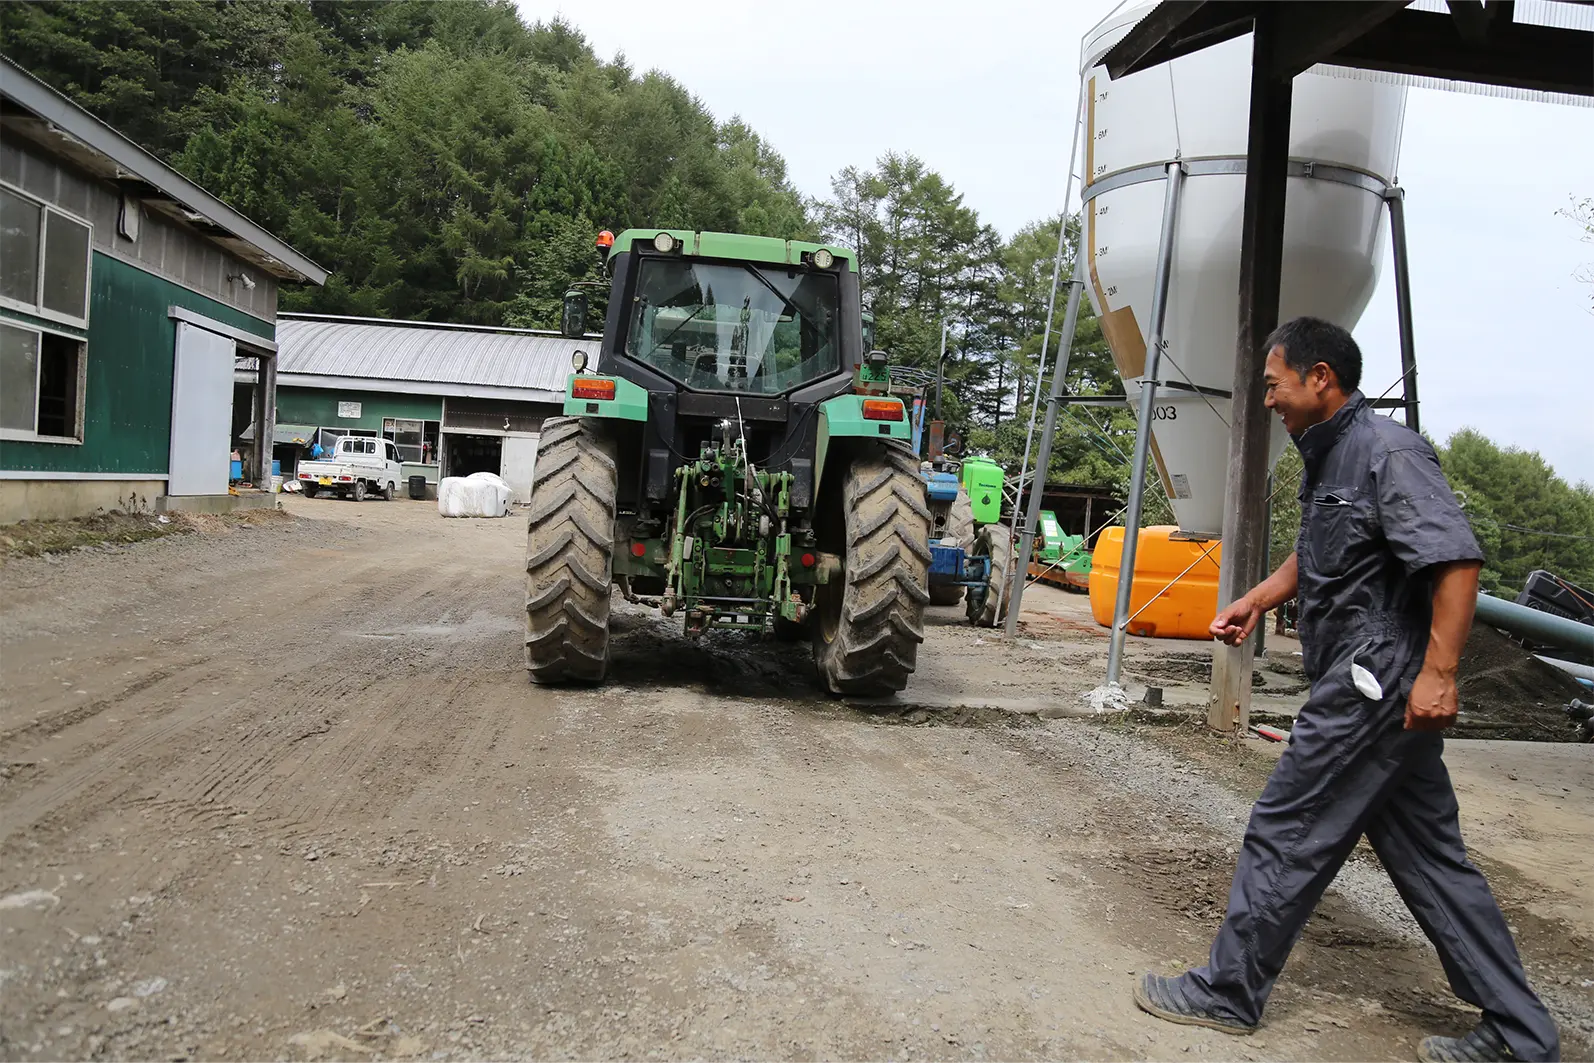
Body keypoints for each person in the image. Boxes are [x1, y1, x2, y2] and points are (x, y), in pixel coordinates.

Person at [1131, 317, 1560, 1062]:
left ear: (1319, 376)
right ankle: (1522, 1034)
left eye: (1274, 384)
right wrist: (1261, 596)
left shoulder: (1389, 451)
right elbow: (1324, 550)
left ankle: (1228, 991)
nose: (1268, 400)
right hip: (1372, 679)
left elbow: (1456, 562)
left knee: (1287, 825)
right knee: (1429, 856)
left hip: (1377, 678)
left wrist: (1439, 672)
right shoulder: (1331, 456)